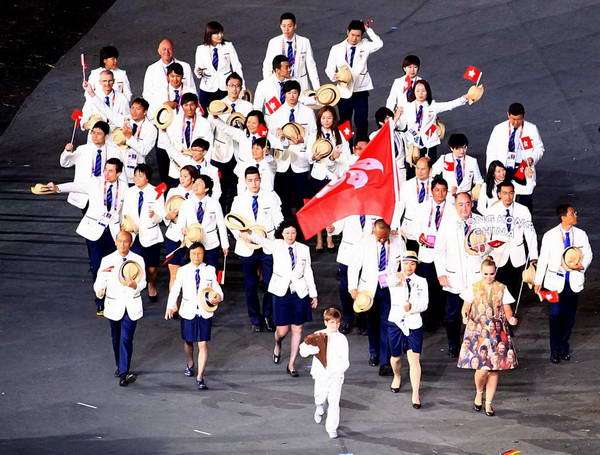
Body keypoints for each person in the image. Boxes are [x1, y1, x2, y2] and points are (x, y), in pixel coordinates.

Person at [47, 158, 126, 315]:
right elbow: (76, 185)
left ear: (118, 173)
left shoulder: (124, 187)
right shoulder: (95, 182)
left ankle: (114, 297)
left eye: (111, 171)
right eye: (105, 169)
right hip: (94, 230)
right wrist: (57, 187)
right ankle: (100, 300)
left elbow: (125, 208)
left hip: (113, 231)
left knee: (114, 265)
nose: (106, 173)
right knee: (97, 265)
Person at [241, 219, 318, 376]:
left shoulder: (303, 249)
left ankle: (291, 364)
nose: (290, 235)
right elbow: (259, 239)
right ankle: (278, 343)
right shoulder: (276, 245)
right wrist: (247, 232)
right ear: (282, 234)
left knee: (298, 329)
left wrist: (313, 294)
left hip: (299, 292)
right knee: (282, 331)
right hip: (280, 292)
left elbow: (308, 272)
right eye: (287, 233)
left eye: (293, 232)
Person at [459, 258, 519, 416]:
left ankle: (489, 403)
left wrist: (511, 318)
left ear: (495, 272)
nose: (488, 276)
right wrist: (465, 315)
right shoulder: (474, 287)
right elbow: (466, 306)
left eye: (491, 274)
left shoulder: (502, 288)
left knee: (494, 369)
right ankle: (479, 392)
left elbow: (507, 308)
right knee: (481, 370)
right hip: (478, 331)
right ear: (481, 272)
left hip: (497, 332)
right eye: (485, 273)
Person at [534, 204, 593, 363]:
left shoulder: (581, 234)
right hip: (554, 283)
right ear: (564, 217)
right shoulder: (550, 235)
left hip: (573, 281)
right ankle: (555, 350)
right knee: (554, 316)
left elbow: (588, 254)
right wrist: (538, 281)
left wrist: (581, 266)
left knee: (569, 317)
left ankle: (563, 346)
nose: (576, 215)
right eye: (573, 213)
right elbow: (543, 259)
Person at [229, 166, 284, 332]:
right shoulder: (239, 200)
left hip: (267, 245)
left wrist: (270, 234)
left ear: (261, 179)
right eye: (250, 180)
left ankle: (268, 315)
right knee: (250, 285)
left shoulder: (271, 196)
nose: (254, 183)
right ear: (245, 181)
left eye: (256, 179)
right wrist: (241, 235)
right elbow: (231, 222)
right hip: (247, 246)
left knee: (270, 283)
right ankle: (255, 319)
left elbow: (279, 219)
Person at [348, 219, 405, 375]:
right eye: (379, 237)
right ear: (374, 230)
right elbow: (354, 265)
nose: (382, 240)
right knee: (372, 323)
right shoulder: (364, 243)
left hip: (390, 288)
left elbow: (404, 264)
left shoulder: (397, 240)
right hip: (369, 290)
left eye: (384, 237)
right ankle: (374, 353)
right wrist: (352, 288)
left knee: (387, 323)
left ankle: (385, 361)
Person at [434, 192, 487, 357]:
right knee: (452, 315)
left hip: (475, 276)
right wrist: (441, 273)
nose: (464, 208)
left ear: (472, 204)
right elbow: (438, 251)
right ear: (455, 205)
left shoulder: (480, 222)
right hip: (454, 277)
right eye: (460, 204)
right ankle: (453, 345)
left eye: (467, 204)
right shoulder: (447, 223)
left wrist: (485, 251)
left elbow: (488, 247)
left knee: (477, 314)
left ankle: (475, 345)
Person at [165, 242, 223, 390]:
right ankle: (190, 362)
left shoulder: (210, 270)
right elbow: (175, 290)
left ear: (204, 254)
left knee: (202, 344)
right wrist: (171, 306)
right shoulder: (183, 271)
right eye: (194, 254)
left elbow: (217, 288)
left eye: (199, 253)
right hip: (188, 311)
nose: (197, 256)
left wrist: (218, 297)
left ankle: (200, 376)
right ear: (189, 255)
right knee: (189, 341)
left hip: (205, 311)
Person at [93, 230, 146, 386]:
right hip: (113, 305)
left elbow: (143, 281)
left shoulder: (138, 260)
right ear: (115, 242)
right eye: (120, 241)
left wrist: (135, 285)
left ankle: (124, 372)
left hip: (131, 305)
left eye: (126, 241)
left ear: (130, 243)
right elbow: (100, 280)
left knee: (126, 338)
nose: (123, 245)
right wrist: (99, 291)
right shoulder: (107, 260)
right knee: (116, 338)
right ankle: (119, 365)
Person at [82, 83, 157, 185]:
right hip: (118, 168)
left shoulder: (151, 129)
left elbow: (144, 150)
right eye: (132, 108)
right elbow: (106, 110)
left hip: (136, 169)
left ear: (145, 112)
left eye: (138, 109)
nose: (134, 112)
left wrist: (128, 137)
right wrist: (91, 92)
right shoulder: (125, 120)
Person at [325, 19, 383, 140]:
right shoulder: (336, 48)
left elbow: (379, 43)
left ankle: (361, 145)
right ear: (347, 32)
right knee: (345, 121)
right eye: (352, 35)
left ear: (362, 36)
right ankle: (346, 147)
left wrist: (368, 30)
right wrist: (334, 76)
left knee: (361, 120)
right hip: (343, 91)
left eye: (358, 36)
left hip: (360, 89)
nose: (354, 38)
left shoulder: (365, 45)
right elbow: (329, 68)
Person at [267, 79, 317, 215]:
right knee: (284, 200)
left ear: (299, 94)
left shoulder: (308, 112)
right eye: (288, 93)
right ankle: (286, 231)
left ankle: (302, 233)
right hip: (282, 162)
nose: (292, 96)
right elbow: (271, 138)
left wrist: (304, 142)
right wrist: (283, 140)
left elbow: (313, 134)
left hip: (301, 160)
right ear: (284, 94)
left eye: (294, 92)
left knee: (301, 200)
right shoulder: (276, 114)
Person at [299, 308, 349, 439]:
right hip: (321, 374)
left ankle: (332, 428)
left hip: (336, 376)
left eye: (337, 322)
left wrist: (338, 371)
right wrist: (312, 349)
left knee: (334, 401)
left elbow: (346, 361)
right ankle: (319, 406)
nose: (335, 325)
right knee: (319, 397)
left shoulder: (342, 339)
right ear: (326, 322)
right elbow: (303, 350)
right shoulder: (318, 334)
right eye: (332, 322)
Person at [307, 105, 352, 251]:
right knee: (318, 207)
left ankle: (329, 237)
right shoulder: (314, 135)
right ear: (319, 119)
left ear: (334, 119)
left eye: (329, 118)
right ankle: (319, 239)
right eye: (323, 118)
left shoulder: (339, 134)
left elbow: (346, 156)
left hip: (333, 176)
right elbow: (309, 158)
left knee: (331, 207)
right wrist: (314, 157)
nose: (326, 121)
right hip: (318, 175)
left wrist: (335, 158)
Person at [387, 251, 428, 408]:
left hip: (413, 322)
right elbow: (384, 281)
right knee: (396, 358)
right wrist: (396, 278)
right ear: (401, 263)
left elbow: (425, 304)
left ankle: (415, 393)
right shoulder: (393, 278)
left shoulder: (422, 281)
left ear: (416, 265)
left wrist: (412, 307)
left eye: (412, 263)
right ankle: (397, 376)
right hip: (396, 321)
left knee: (414, 360)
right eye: (406, 263)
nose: (409, 266)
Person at [327, 214, 380, 334]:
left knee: (365, 288)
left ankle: (363, 319)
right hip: (348, 255)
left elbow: (380, 228)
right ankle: (348, 318)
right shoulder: (347, 210)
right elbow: (336, 228)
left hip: (367, 256)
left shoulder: (375, 211)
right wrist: (331, 229)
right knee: (346, 288)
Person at [486, 103, 544, 212]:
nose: (516, 122)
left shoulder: (531, 129)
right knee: (504, 199)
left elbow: (540, 148)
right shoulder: (498, 129)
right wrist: (492, 172)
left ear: (523, 116)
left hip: (522, 168)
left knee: (525, 201)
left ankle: (526, 225)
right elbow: (491, 152)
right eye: (513, 119)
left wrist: (532, 159)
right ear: (508, 115)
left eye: (519, 119)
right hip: (504, 169)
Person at [487, 180, 538, 298]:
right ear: (499, 194)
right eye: (505, 193)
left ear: (514, 194)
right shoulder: (491, 211)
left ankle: (511, 316)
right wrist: (487, 255)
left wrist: (534, 258)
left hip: (518, 257)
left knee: (514, 291)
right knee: (497, 291)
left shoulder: (523, 210)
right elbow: (487, 234)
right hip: (498, 257)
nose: (508, 196)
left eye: (511, 193)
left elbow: (531, 235)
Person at [121, 164, 165, 301]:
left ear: (147, 178)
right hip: (134, 236)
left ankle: (151, 283)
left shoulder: (156, 192)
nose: (136, 178)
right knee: (134, 265)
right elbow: (125, 212)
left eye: (140, 176)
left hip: (151, 236)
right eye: (135, 175)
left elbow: (161, 215)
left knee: (151, 269)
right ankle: (134, 291)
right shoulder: (129, 192)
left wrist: (154, 216)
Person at [212, 72, 254, 213]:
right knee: (221, 190)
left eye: (237, 86)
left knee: (238, 190)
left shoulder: (248, 106)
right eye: (231, 86)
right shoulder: (218, 106)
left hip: (241, 155)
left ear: (241, 88)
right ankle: (220, 219)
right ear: (226, 87)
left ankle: (233, 220)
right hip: (222, 153)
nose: (234, 89)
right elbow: (211, 130)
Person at [59, 120, 124, 211]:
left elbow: (121, 174)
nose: (95, 136)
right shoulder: (82, 149)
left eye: (99, 133)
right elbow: (64, 163)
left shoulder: (115, 152)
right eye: (93, 132)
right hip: (85, 194)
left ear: (106, 136)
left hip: (105, 193)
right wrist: (67, 152)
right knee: (89, 221)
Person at [398, 79, 469, 162]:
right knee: (413, 170)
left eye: (423, 91)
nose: (420, 93)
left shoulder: (433, 106)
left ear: (427, 92)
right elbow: (401, 125)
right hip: (412, 144)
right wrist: (396, 116)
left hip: (429, 143)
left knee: (430, 169)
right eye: (417, 91)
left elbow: (450, 105)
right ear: (414, 92)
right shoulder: (407, 107)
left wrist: (465, 98)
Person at [414, 175, 450, 331]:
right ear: (431, 190)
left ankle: (441, 317)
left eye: (443, 190)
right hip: (426, 254)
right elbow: (414, 226)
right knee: (427, 288)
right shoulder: (423, 207)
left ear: (447, 192)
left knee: (442, 288)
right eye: (437, 190)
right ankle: (428, 320)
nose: (440, 194)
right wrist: (418, 236)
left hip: (444, 255)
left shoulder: (452, 209)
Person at [177, 173, 228, 269]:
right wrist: (182, 232)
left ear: (206, 189)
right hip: (192, 244)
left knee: (211, 271)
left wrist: (225, 245)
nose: (195, 186)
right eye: (195, 183)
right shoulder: (186, 203)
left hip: (210, 244)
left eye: (199, 184)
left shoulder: (214, 203)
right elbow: (180, 223)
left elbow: (221, 225)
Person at [162, 93, 214, 188]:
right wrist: (177, 160)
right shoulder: (173, 121)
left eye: (192, 105)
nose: (189, 108)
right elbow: (169, 144)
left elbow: (209, 147)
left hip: (197, 167)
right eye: (186, 105)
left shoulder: (205, 123)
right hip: (177, 167)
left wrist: (203, 165)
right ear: (181, 106)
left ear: (197, 105)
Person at [262, 12, 320, 91]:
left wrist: (318, 89)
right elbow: (267, 66)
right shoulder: (273, 42)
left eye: (289, 26)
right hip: (281, 84)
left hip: (301, 84)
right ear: (280, 26)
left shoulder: (304, 42)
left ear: (295, 26)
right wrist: (268, 86)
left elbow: (311, 67)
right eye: (284, 26)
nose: (286, 29)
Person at [194, 21, 245, 110]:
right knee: (206, 116)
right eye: (216, 33)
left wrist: (242, 87)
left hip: (225, 88)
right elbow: (197, 70)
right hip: (207, 89)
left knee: (226, 114)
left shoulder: (228, 46)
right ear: (209, 34)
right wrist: (198, 72)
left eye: (221, 32)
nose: (220, 35)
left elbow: (237, 66)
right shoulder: (201, 49)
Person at [163, 165, 200, 288]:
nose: (182, 179)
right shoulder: (173, 191)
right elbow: (166, 215)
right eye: (181, 176)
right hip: (174, 236)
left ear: (193, 178)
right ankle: (173, 306)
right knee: (174, 273)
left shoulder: (197, 193)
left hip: (192, 237)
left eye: (185, 176)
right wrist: (170, 216)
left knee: (191, 273)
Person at [142, 38, 196, 118]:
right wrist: (163, 105)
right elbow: (146, 94)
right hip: (160, 113)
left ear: (173, 50)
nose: (166, 52)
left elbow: (192, 91)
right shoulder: (151, 69)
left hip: (183, 112)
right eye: (164, 49)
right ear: (159, 51)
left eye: (169, 49)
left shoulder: (185, 66)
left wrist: (182, 105)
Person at [391, 156, 432, 252]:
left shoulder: (436, 185)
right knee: (410, 262)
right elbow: (399, 207)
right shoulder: (406, 185)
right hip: (408, 230)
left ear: (430, 170)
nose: (419, 171)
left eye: (423, 169)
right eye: (417, 168)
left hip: (427, 231)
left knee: (426, 261)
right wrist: (393, 226)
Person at [166, 137, 221, 202]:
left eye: (197, 150)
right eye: (192, 150)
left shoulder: (213, 170)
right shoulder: (185, 162)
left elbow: (217, 191)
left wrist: (210, 204)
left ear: (204, 152)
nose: (193, 153)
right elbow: (171, 150)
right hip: (183, 198)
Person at [431, 133, 483, 201]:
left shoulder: (472, 161)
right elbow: (430, 175)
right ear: (451, 148)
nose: (462, 151)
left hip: (465, 198)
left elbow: (479, 181)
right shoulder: (444, 158)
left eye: (464, 147)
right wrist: (439, 191)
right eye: (458, 148)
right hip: (448, 198)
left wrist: (476, 191)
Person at [81, 70, 130, 141]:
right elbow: (84, 118)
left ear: (114, 81)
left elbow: (127, 119)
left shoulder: (122, 98)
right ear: (100, 82)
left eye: (110, 81)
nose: (107, 84)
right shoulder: (91, 97)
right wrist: (89, 125)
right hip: (95, 138)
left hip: (114, 138)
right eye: (104, 81)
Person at [369, 107, 406, 182]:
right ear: (380, 122)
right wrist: (396, 117)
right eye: (387, 118)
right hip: (385, 172)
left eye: (391, 117)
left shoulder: (400, 134)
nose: (391, 120)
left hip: (400, 171)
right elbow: (386, 133)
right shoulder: (374, 135)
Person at [254, 55, 293, 120]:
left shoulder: (295, 82)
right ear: (277, 70)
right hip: (270, 124)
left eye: (289, 66)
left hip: (290, 123)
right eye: (286, 67)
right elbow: (257, 108)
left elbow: (301, 101)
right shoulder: (263, 84)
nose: (290, 69)